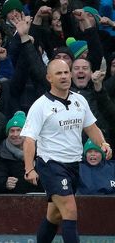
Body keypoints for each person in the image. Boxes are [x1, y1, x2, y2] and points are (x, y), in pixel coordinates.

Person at [21, 59, 113, 243]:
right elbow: (29, 139)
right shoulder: (40, 106)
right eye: (58, 73)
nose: (64, 76)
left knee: (54, 215)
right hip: (51, 164)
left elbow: (91, 127)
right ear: (49, 78)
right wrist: (29, 168)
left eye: (66, 72)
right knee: (70, 210)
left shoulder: (80, 100)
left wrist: (103, 143)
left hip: (73, 164)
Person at [0, 111, 44, 193]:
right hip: (13, 200)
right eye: (12, 131)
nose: (15, 134)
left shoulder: (41, 152)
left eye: (19, 130)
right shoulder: (0, 153)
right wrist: (5, 183)